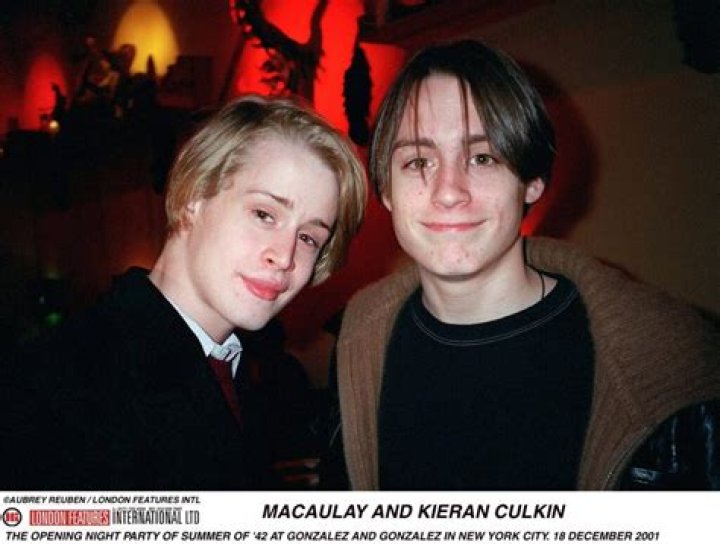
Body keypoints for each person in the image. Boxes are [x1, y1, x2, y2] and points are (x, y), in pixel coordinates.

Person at [323, 40, 720, 490]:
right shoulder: (357, 344)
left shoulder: (670, 366)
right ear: (386, 189)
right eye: (418, 161)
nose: (448, 191)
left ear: (531, 180)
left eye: (482, 157)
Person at [0, 95, 366, 490]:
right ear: (194, 197)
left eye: (309, 237)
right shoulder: (58, 384)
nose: (285, 256)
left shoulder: (237, 373)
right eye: (264, 214)